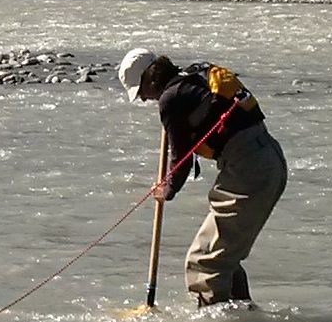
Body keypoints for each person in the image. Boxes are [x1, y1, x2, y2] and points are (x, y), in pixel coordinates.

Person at [118, 48, 287, 307]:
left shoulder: (171, 98)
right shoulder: (193, 77)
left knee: (205, 262)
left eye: (140, 91)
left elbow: (182, 157)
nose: (142, 99)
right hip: (268, 158)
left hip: (249, 169)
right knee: (225, 260)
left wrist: (168, 189)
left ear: (151, 79)